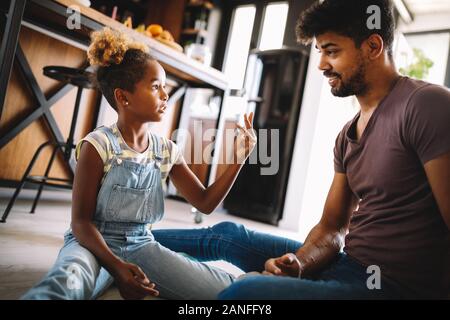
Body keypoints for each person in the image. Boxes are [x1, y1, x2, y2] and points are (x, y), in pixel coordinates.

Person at [152, 0, 450, 299]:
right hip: (347, 263)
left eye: (332, 51)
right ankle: (124, 242)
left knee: (247, 291)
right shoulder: (348, 134)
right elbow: (332, 229)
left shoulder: (426, 106)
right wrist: (300, 264)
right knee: (226, 235)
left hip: (392, 286)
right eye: (320, 51)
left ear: (373, 46)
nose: (321, 64)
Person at [21, 27, 257, 300]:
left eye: (165, 87)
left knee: (230, 291)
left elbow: (204, 202)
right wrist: (118, 267)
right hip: (90, 245)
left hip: (142, 245)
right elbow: (81, 223)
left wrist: (239, 159)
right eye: (156, 87)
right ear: (123, 97)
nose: (165, 95)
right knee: (66, 284)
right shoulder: (97, 145)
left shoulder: (167, 150)